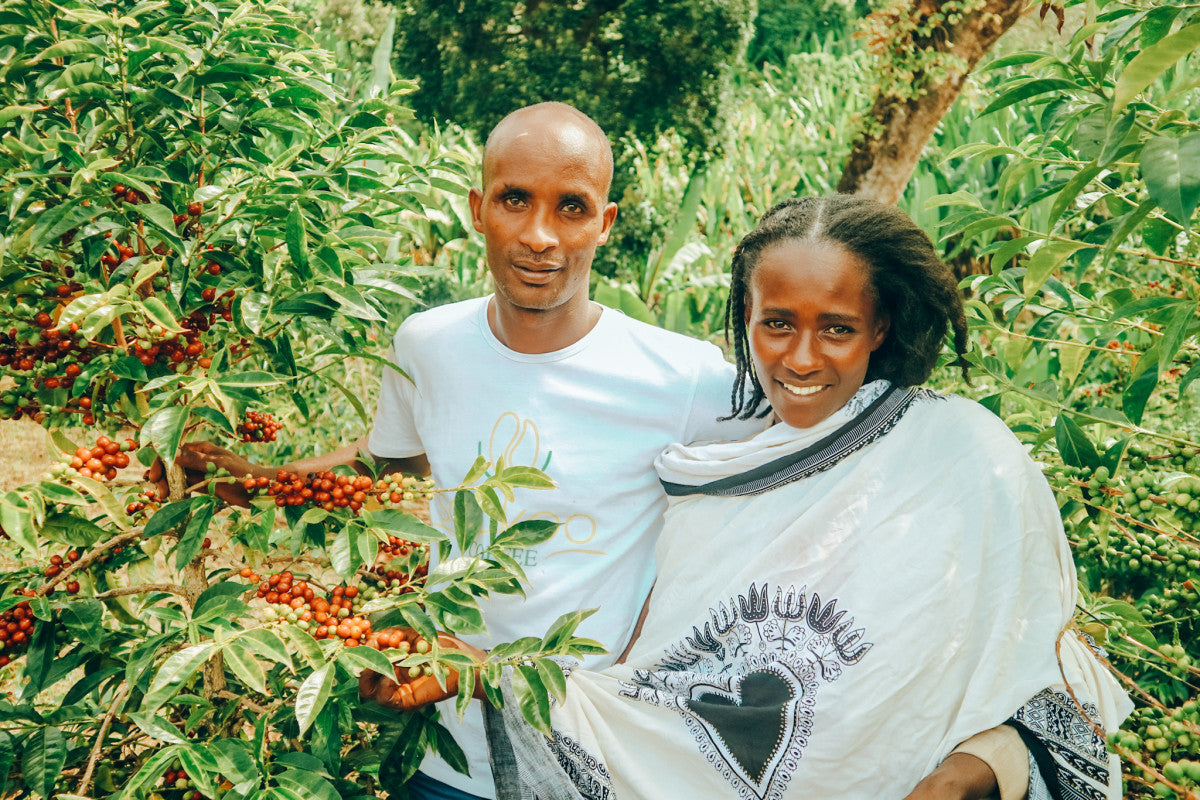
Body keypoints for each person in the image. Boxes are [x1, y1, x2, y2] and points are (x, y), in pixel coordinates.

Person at [359, 195, 1133, 800]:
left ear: (880, 325)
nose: (800, 358)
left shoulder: (962, 455)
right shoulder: (716, 478)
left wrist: (959, 775)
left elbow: (1053, 675)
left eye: (835, 328)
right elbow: (656, 702)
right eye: (775, 325)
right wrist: (482, 669)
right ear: (745, 321)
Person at [166, 102, 764, 799]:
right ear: (478, 209)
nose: (540, 236)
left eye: (571, 207)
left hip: (591, 760)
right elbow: (385, 478)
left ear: (605, 223)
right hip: (444, 751)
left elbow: (815, 469)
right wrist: (248, 479)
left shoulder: (684, 378)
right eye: (516, 200)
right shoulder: (428, 345)